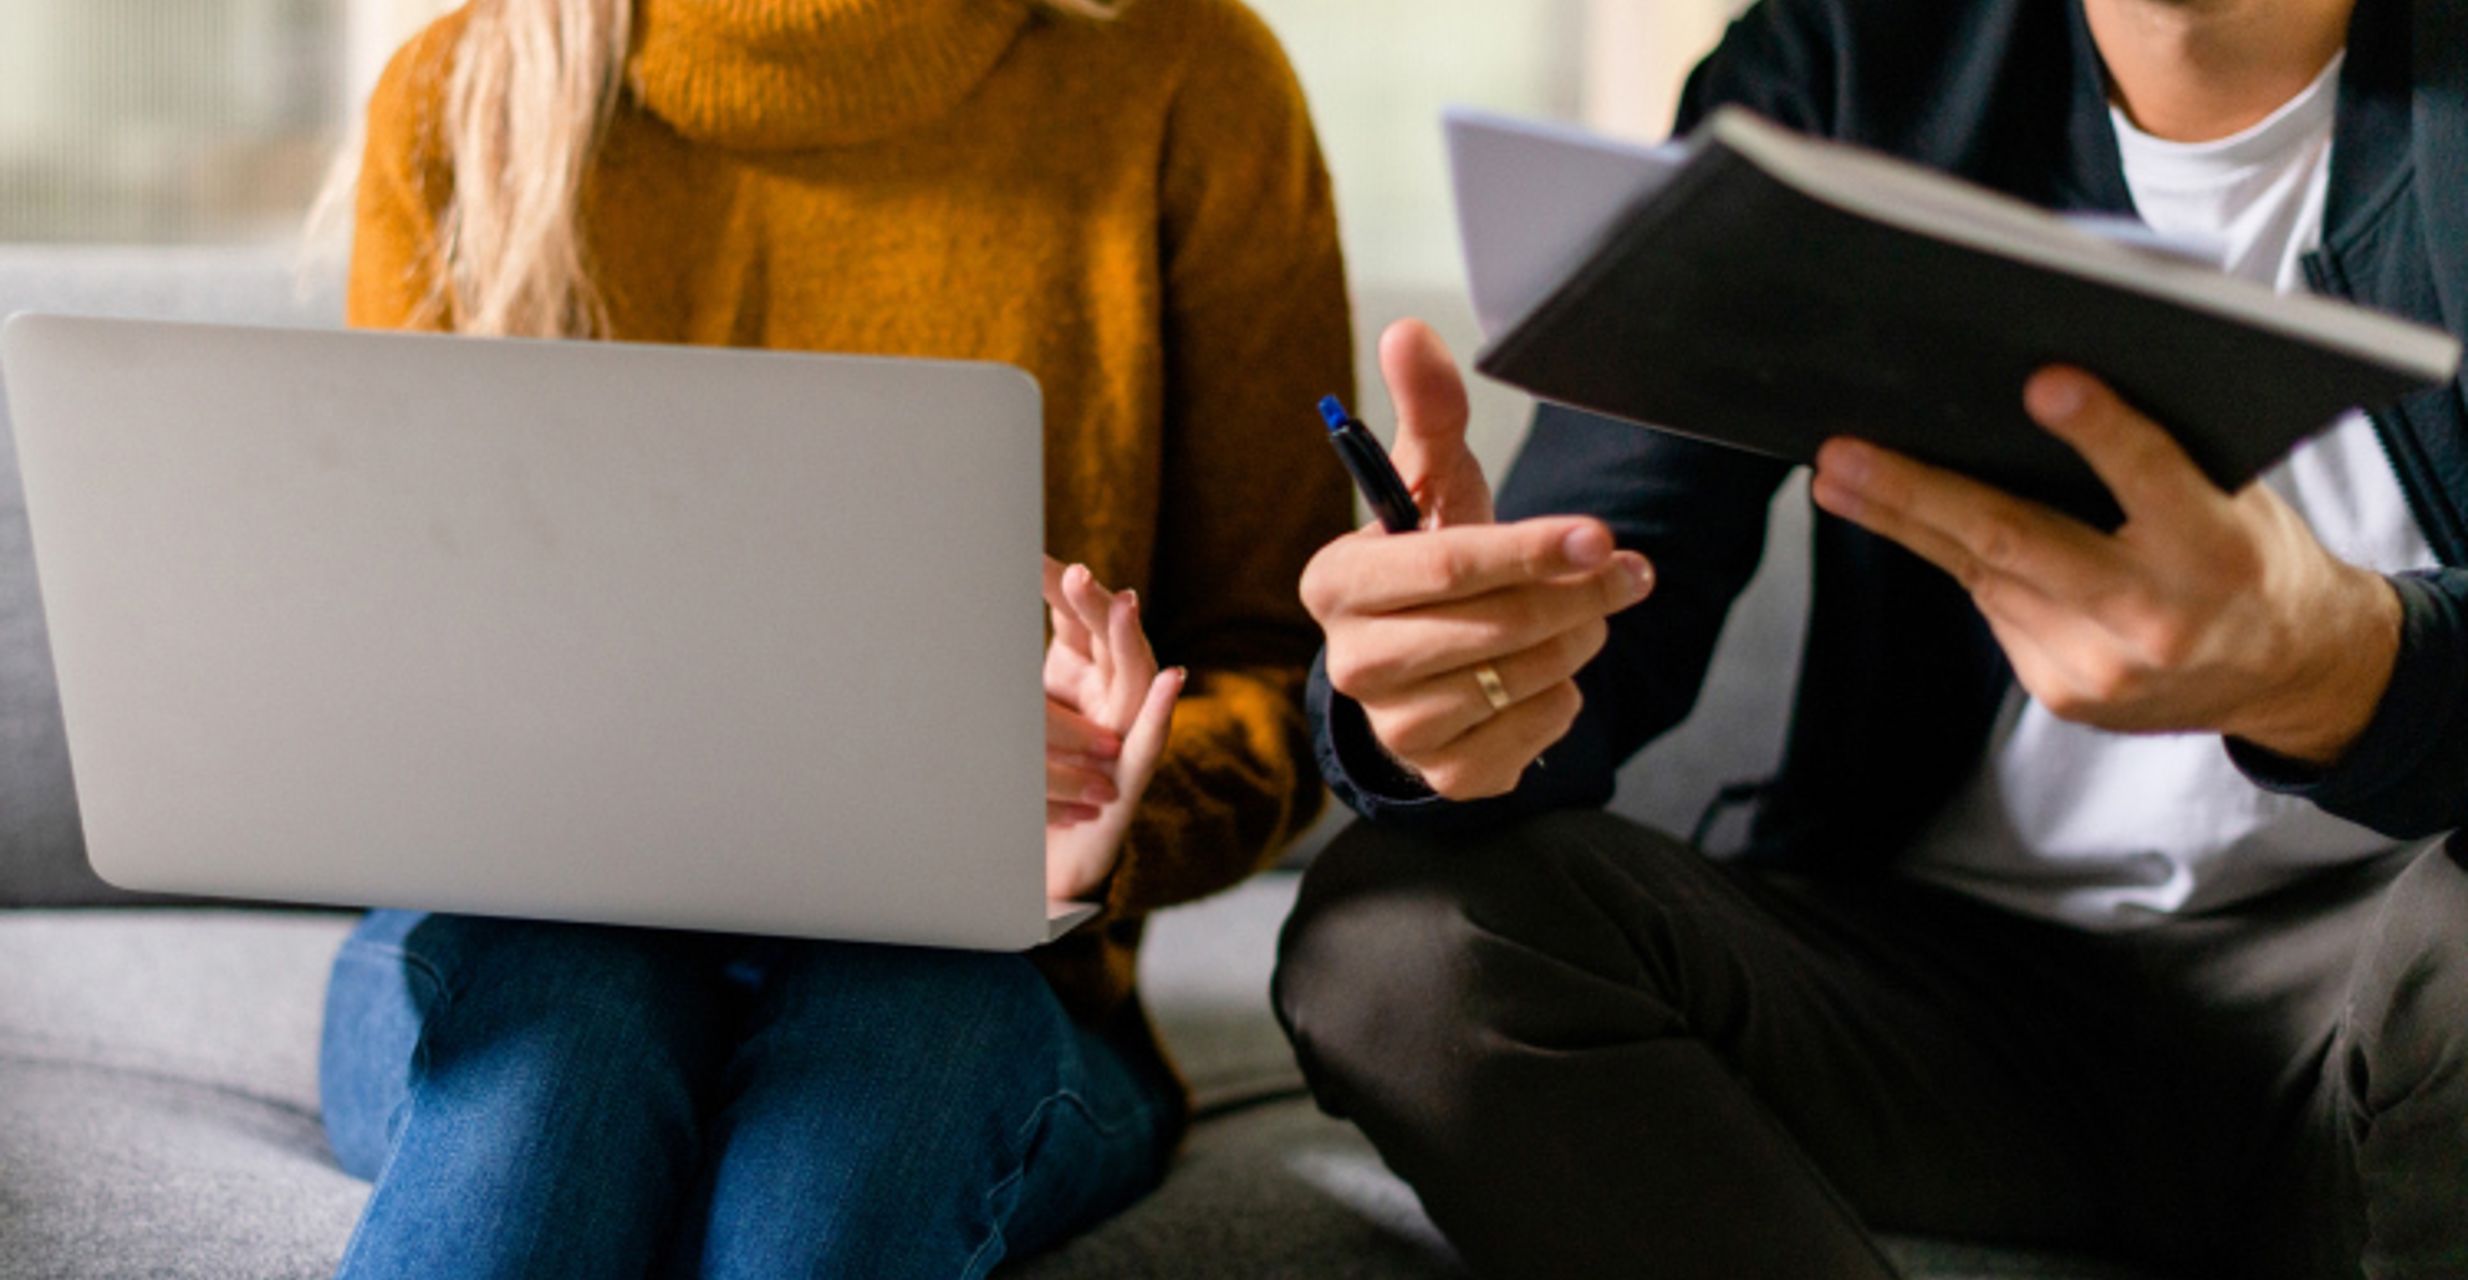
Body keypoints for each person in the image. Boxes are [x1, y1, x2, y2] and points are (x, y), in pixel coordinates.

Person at [1272, 0, 2467, 1276]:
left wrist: (2343, 665)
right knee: (1397, 945)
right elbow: (1600, 580)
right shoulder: (1843, 56)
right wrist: (1453, 677)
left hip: (2388, 995)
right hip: (1929, 999)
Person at [313, 1, 1352, 1276]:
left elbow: (1280, 670)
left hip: (967, 973)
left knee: (859, 1130)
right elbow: (407, 656)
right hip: (522, 939)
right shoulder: (460, 90)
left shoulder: (1187, 76)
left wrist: (1100, 803)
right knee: (551, 1077)